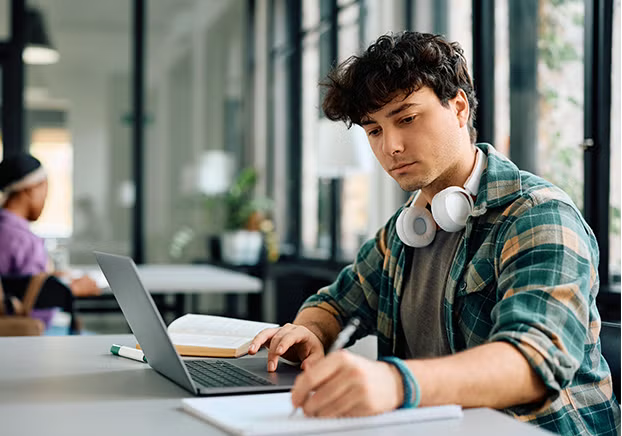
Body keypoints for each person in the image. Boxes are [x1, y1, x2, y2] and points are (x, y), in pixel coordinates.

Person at [249, 32, 620, 435]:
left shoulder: (538, 216)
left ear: (459, 107)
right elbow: (334, 303)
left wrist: (395, 383)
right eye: (374, 130)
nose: (390, 146)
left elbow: (533, 362)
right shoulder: (405, 230)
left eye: (406, 118)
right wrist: (309, 332)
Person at [0, 152, 100, 297]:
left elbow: (20, 286)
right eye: (44, 190)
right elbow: (38, 307)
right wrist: (71, 290)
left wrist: (53, 280)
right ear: (30, 189)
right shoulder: (25, 242)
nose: (45, 200)